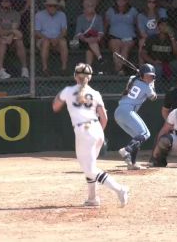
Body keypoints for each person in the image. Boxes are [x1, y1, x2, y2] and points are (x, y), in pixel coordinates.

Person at [52, 63, 129, 208]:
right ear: (90, 77)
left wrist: (61, 95)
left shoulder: (68, 90)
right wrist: (100, 134)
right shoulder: (95, 93)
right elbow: (104, 118)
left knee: (89, 169)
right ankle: (92, 198)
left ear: (75, 76)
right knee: (90, 166)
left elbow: (55, 106)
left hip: (84, 131)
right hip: (97, 129)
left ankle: (120, 189)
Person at [115, 64, 157, 170]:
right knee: (145, 133)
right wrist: (152, 85)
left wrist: (142, 76)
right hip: (127, 111)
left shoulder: (132, 79)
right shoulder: (147, 87)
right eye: (147, 76)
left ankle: (132, 163)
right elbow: (153, 98)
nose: (150, 78)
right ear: (141, 75)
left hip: (119, 112)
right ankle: (126, 150)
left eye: (151, 76)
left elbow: (134, 79)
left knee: (137, 137)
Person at [141, 18, 177, 82]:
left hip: (169, 63)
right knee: (158, 68)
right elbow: (143, 53)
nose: (164, 27)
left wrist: (172, 38)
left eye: (166, 25)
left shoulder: (173, 39)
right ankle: (156, 89)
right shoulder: (152, 38)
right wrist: (153, 62)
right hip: (156, 63)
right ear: (158, 26)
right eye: (162, 25)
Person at [105, 0, 139, 75]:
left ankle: (119, 70)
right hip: (114, 37)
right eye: (118, 0)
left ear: (127, 1)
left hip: (129, 37)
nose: (121, 2)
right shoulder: (110, 11)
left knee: (125, 48)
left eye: (123, 0)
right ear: (115, 1)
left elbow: (137, 24)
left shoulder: (133, 11)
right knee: (116, 49)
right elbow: (106, 24)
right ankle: (121, 70)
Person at [35, 0, 68, 76]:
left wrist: (57, 39)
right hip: (43, 39)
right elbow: (36, 32)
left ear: (57, 6)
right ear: (46, 6)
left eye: (54, 6)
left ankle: (64, 69)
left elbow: (64, 31)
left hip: (57, 39)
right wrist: (48, 39)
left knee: (63, 42)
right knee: (46, 42)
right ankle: (45, 69)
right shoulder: (39, 15)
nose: (52, 7)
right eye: (50, 6)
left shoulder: (62, 15)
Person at [74, 0, 105, 70]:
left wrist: (96, 38)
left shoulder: (98, 18)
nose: (90, 7)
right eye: (88, 6)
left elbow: (101, 32)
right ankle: (99, 57)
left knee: (89, 49)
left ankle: (88, 70)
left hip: (96, 40)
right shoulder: (80, 18)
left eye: (92, 6)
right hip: (83, 41)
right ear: (84, 7)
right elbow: (78, 33)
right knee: (90, 44)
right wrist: (85, 39)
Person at [137, 0, 168, 64]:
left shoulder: (162, 11)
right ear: (146, 3)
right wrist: (151, 39)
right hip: (148, 38)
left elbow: (163, 27)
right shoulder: (141, 16)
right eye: (149, 2)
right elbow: (142, 33)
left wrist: (156, 37)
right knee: (141, 42)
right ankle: (141, 69)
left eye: (154, 2)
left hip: (160, 36)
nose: (151, 4)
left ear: (156, 3)